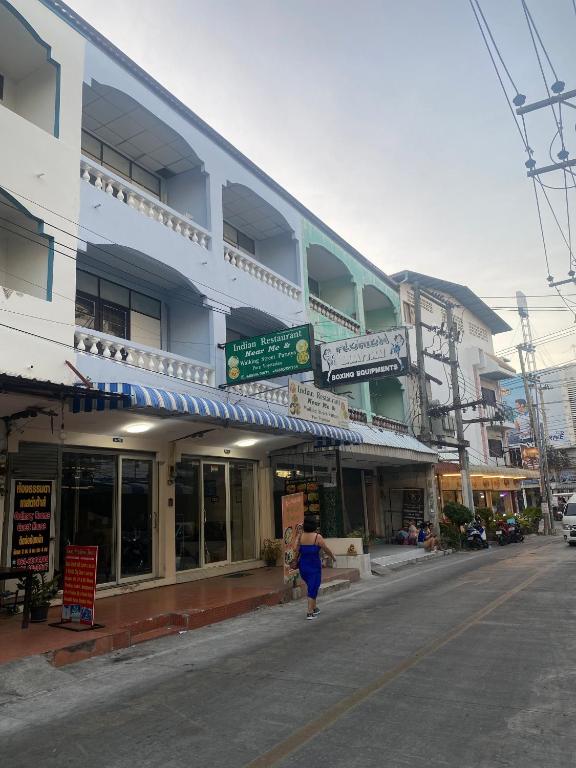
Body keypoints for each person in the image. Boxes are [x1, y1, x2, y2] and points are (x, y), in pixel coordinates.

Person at [290, 517, 336, 620]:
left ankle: (314, 608)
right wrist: (333, 557)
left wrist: (297, 536)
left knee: (312, 586)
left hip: (303, 566)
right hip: (314, 566)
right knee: (313, 587)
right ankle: (309, 612)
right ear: (314, 525)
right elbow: (326, 549)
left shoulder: (301, 536)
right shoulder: (317, 537)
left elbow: (295, 549)